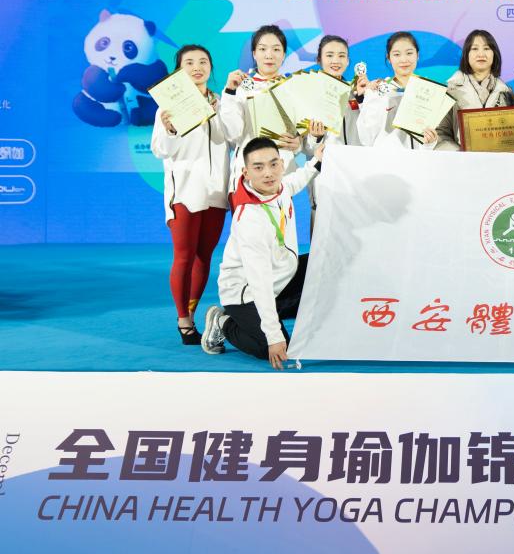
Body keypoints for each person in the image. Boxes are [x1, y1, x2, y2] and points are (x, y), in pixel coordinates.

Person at [201, 136, 324, 368]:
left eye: (273, 164)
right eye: (258, 167)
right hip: (245, 293)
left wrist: (316, 161)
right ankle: (223, 322)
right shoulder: (250, 219)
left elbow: (295, 182)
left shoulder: (279, 187)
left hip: (281, 277)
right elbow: (260, 281)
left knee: (324, 264)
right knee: (272, 348)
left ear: (282, 165)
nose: (268, 173)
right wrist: (274, 336)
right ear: (246, 173)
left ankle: (272, 314)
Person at [150, 44, 231, 344]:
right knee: (184, 256)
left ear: (210, 67)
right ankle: (183, 320)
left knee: (204, 256)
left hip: (216, 192)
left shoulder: (221, 103)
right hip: (185, 192)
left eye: (203, 62)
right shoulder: (167, 108)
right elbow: (160, 150)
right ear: (179, 70)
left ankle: (192, 312)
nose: (197, 67)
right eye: (189, 63)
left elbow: (230, 138)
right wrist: (170, 129)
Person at [219, 25, 303, 190]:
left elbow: (303, 139)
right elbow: (233, 134)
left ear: (284, 55)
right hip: (248, 176)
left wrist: (298, 144)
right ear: (254, 54)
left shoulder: (295, 87)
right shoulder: (240, 87)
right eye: (263, 49)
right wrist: (229, 92)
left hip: (283, 176)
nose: (269, 55)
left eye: (276, 49)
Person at [303, 35, 364, 231]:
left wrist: (364, 100)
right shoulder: (308, 93)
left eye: (341, 55)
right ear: (319, 59)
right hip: (324, 173)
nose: (336, 60)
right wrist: (316, 137)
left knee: (354, 231)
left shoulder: (357, 92)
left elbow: (369, 133)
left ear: (348, 61)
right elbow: (305, 147)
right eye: (329, 55)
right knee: (322, 233)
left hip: (354, 172)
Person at [357, 31, 439, 149]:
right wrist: (372, 97)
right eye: (397, 54)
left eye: (409, 53)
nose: (404, 59)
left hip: (419, 159)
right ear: (389, 58)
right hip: (386, 158)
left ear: (417, 55)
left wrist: (429, 144)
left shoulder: (430, 91)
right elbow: (366, 138)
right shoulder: (377, 90)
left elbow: (434, 135)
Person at [435, 29, 514, 151]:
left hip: (498, 159)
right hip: (461, 160)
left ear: (494, 54)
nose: (481, 54)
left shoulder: (506, 92)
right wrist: (460, 154)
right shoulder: (450, 90)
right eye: (475, 48)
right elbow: (441, 133)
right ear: (466, 54)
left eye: (486, 48)